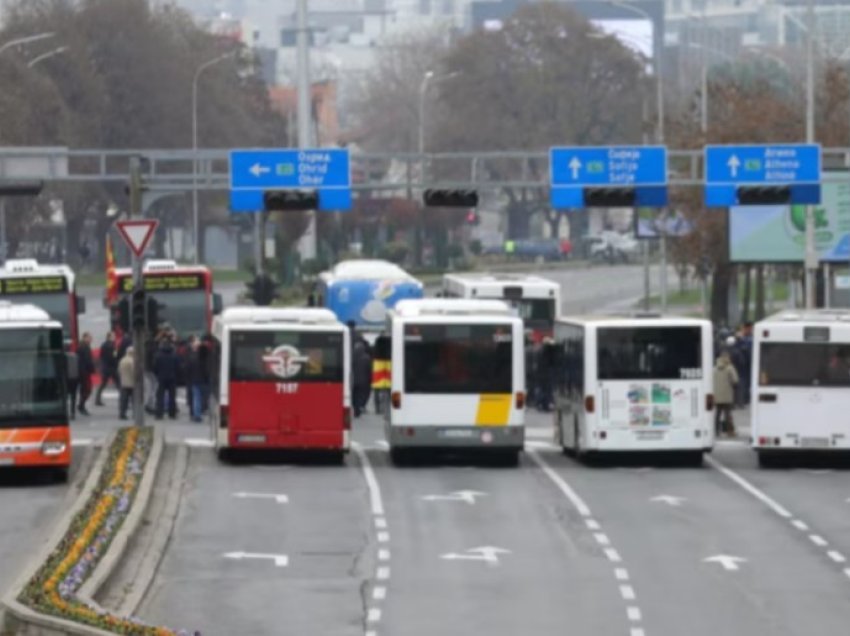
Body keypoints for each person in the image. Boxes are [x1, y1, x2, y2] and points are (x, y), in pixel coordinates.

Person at [713, 350, 739, 437]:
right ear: (727, 358)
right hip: (727, 395)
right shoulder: (730, 368)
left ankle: (715, 430)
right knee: (727, 414)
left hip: (717, 395)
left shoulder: (714, 368)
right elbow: (735, 380)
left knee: (717, 413)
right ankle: (730, 431)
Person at [153, 335, 180, 420]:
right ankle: (172, 413)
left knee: (160, 396)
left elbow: (155, 367)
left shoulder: (158, 355)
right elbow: (178, 367)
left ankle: (159, 413)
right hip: (172, 377)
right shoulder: (174, 355)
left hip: (161, 377)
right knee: (172, 396)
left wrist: (158, 374)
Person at [95, 331, 120, 406]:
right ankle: (123, 400)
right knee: (119, 384)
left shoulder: (103, 345)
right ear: (109, 337)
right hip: (112, 368)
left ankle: (97, 400)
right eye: (113, 336)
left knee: (103, 384)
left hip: (105, 367)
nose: (114, 337)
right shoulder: (112, 346)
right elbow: (113, 357)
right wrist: (116, 364)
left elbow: (101, 356)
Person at [187, 337, 207, 422]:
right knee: (203, 397)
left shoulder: (191, 357)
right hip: (204, 380)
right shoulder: (205, 359)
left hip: (194, 380)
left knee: (196, 398)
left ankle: (197, 414)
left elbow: (188, 369)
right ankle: (201, 410)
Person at [371, 331, 391, 415]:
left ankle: (377, 408)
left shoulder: (377, 341)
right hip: (389, 364)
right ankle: (391, 408)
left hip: (378, 365)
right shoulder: (392, 340)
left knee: (376, 389)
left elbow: (372, 352)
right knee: (390, 389)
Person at [352, 338, 373, 418]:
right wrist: (370, 379)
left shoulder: (352, 357)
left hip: (353, 380)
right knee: (360, 395)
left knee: (354, 395)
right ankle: (359, 408)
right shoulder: (367, 358)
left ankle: (356, 408)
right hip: (364, 381)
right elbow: (369, 370)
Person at [77, 332, 96, 416]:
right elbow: (87, 360)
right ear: (84, 338)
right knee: (87, 389)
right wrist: (92, 369)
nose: (90, 339)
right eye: (89, 338)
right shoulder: (84, 347)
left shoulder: (82, 347)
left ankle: (81, 405)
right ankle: (81, 405)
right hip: (84, 372)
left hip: (82, 371)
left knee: (85, 389)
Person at [118, 346, 135, 420]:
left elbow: (119, 370)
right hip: (132, 383)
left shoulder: (122, 360)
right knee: (134, 400)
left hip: (123, 382)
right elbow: (133, 372)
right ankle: (135, 413)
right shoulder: (132, 361)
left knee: (124, 399)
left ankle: (122, 413)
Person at [66, 350, 78, 420]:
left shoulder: (63, 357)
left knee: (65, 397)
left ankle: (66, 412)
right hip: (74, 378)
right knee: (73, 397)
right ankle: (72, 412)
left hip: (66, 378)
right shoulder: (75, 356)